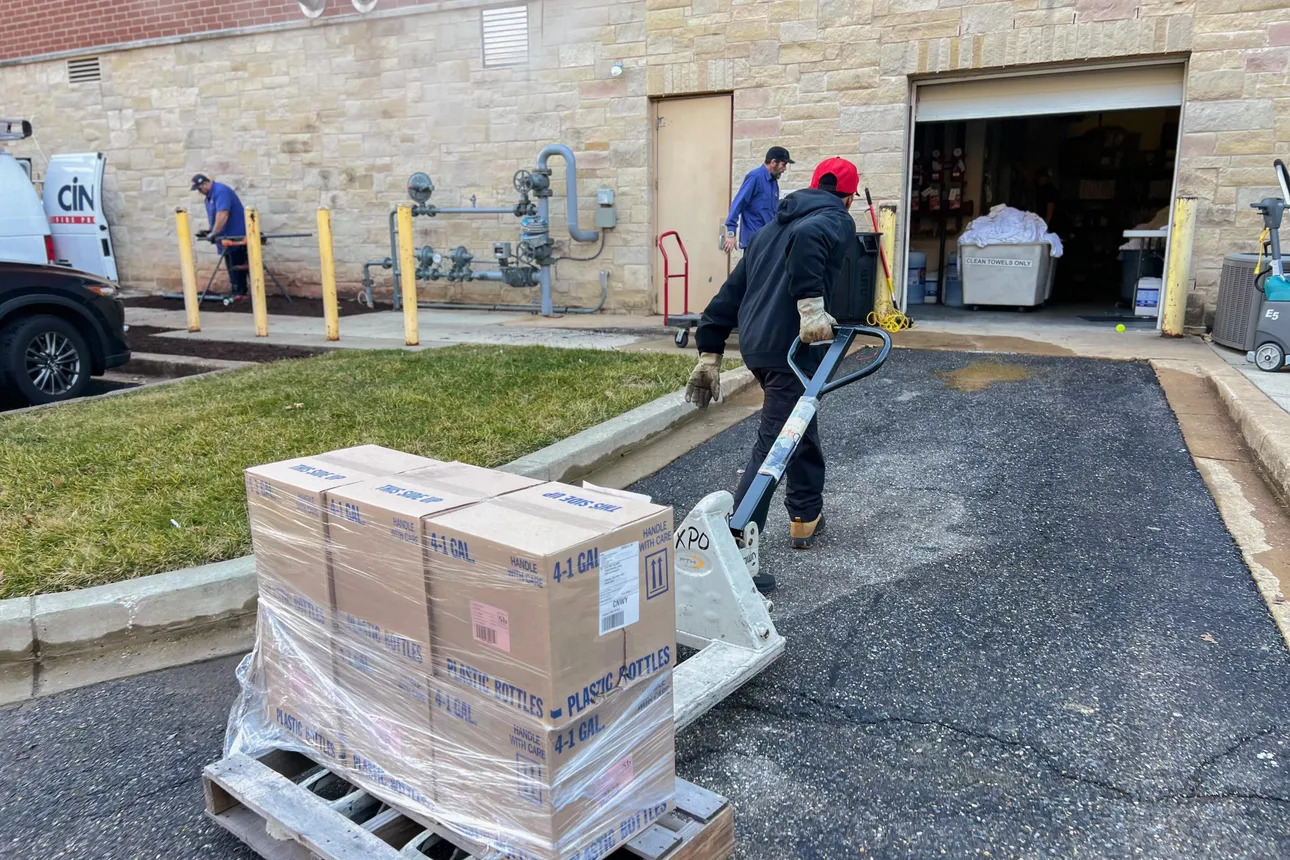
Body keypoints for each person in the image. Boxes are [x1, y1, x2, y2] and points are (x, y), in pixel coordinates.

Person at [685, 157, 861, 590]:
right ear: (850, 196)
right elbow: (810, 239)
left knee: (798, 424)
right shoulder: (832, 219)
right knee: (774, 445)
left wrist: (710, 351)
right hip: (793, 349)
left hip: (759, 347)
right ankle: (733, 552)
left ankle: (805, 513)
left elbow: (731, 292)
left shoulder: (767, 231)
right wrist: (811, 306)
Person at [722, 146, 794, 253]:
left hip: (768, 240)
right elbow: (738, 203)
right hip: (754, 242)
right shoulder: (755, 177)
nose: (784, 169)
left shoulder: (773, 183)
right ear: (773, 162)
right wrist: (731, 233)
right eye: (783, 164)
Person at [191, 173, 249, 297]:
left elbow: (223, 213)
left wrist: (214, 232)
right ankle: (236, 290)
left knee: (237, 264)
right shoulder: (209, 197)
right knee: (231, 264)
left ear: (206, 183)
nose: (199, 191)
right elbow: (216, 217)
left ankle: (240, 292)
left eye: (200, 188)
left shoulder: (220, 191)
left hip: (236, 236)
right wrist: (210, 231)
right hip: (225, 237)